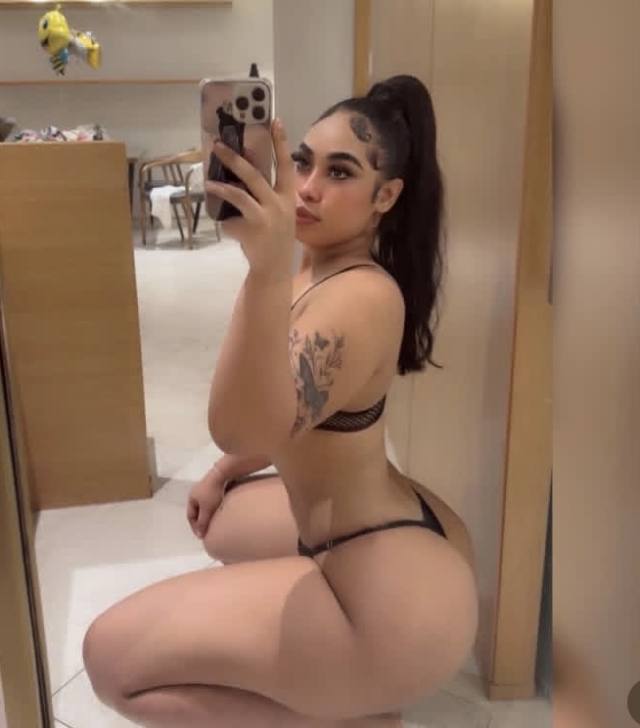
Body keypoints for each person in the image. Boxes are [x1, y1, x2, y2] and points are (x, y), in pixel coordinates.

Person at [82, 74, 479, 728]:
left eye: (340, 172)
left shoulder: (361, 298)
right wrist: (221, 474)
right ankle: (347, 686)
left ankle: (360, 714)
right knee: (225, 519)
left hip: (390, 600)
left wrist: (264, 269)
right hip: (400, 529)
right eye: (303, 162)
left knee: (110, 662)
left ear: (385, 196)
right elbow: (283, 414)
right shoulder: (321, 268)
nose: (309, 187)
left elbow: (240, 428)